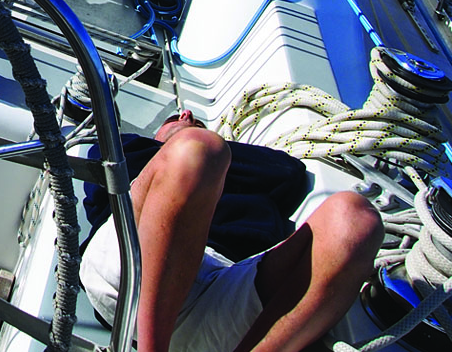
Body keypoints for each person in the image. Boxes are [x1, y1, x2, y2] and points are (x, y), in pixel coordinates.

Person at [81, 110, 384, 352]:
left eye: (194, 120)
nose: (185, 115)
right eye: (175, 118)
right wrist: (189, 146)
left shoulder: (224, 165)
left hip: (221, 291)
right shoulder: (132, 149)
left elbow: (288, 172)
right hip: (132, 270)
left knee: (356, 220)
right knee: (196, 153)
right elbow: (102, 183)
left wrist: (216, 159)